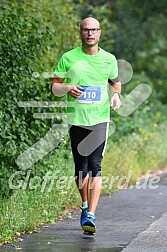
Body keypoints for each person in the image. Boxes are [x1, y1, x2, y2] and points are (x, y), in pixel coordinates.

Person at [51, 17, 121, 234]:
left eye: (94, 30)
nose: (90, 33)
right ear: (80, 32)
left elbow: (115, 84)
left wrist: (116, 96)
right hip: (76, 120)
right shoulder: (68, 58)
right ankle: (83, 205)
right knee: (80, 169)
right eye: (86, 30)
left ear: (99, 33)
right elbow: (55, 87)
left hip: (99, 119)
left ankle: (91, 214)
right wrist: (68, 88)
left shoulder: (109, 59)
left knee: (95, 166)